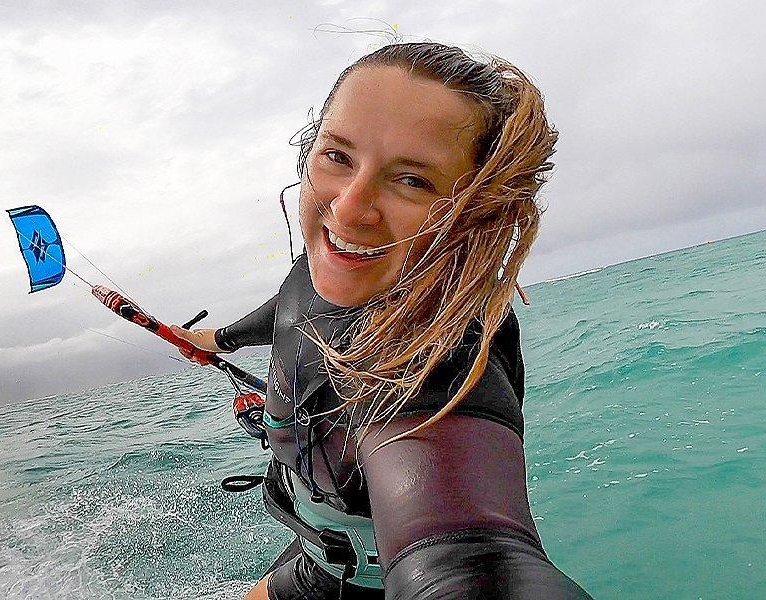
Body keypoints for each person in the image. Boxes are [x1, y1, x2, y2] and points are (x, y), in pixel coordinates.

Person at [173, 42, 592, 599]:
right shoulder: (328, 269)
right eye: (337, 156)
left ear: (475, 208)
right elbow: (290, 305)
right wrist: (216, 338)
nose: (348, 209)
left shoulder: (431, 359)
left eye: (412, 180)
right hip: (310, 562)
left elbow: (467, 558)